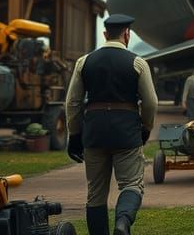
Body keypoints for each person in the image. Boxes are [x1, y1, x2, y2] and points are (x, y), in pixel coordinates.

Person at [65, 13, 157, 235]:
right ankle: (122, 223)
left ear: (105, 34)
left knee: (95, 193)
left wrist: (75, 135)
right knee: (132, 185)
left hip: (94, 133)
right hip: (126, 132)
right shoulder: (138, 62)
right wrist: (145, 128)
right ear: (127, 34)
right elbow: (151, 102)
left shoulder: (84, 62)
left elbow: (72, 102)